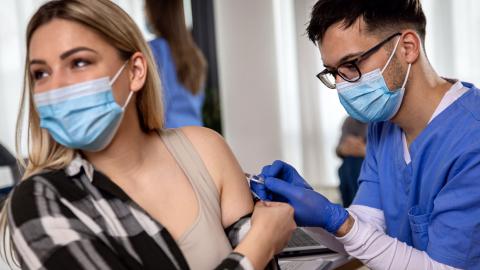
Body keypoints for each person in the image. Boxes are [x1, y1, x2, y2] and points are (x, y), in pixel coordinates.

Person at [0, 1, 296, 269]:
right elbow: (257, 244)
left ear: (136, 70)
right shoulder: (40, 201)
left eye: (79, 62)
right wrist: (262, 241)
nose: (56, 87)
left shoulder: (206, 150)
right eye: (41, 73)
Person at [252, 0, 480, 269]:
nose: (340, 84)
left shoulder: (471, 138)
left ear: (407, 47)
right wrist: (317, 213)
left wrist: (339, 220)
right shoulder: (383, 126)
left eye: (351, 63)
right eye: (333, 72)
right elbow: (365, 230)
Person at [145, 0, 207, 128]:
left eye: (145, 8)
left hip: (169, 139)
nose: (145, 12)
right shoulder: (194, 54)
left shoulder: (154, 50)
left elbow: (154, 108)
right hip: (197, 137)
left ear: (156, 12)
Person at [335, 116, 367, 207]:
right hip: (350, 163)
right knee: (349, 163)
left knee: (353, 163)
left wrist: (365, 150)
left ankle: (353, 208)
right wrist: (345, 148)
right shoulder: (349, 121)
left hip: (368, 163)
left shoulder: (381, 120)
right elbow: (339, 149)